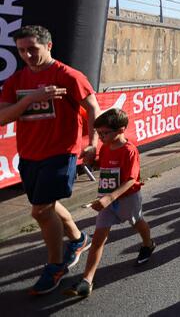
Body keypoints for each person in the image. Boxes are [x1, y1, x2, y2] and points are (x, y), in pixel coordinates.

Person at [0, 25, 101, 295]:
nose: (27, 55)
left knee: (41, 211)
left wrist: (93, 142)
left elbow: (93, 107)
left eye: (32, 49)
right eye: (22, 50)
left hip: (60, 152)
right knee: (47, 206)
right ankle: (78, 240)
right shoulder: (16, 80)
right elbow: (2, 116)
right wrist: (32, 99)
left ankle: (56, 265)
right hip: (30, 154)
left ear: (48, 46)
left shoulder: (67, 75)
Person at [63, 109, 154, 297]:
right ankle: (87, 281)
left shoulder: (129, 150)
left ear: (121, 130)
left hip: (127, 198)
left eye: (105, 133)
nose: (101, 137)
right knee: (98, 239)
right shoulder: (106, 147)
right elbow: (104, 165)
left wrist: (110, 197)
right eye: (99, 133)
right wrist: (91, 162)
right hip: (106, 200)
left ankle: (148, 244)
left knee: (137, 223)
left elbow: (131, 179)